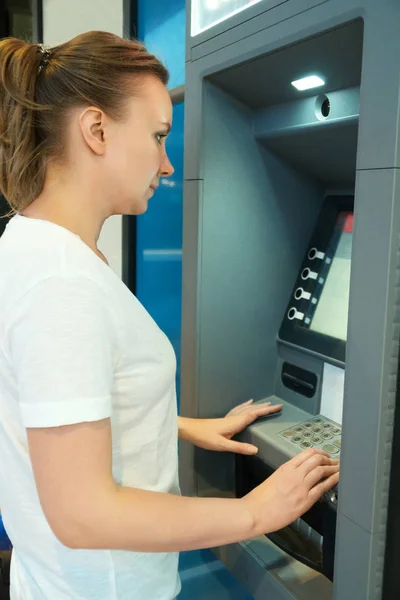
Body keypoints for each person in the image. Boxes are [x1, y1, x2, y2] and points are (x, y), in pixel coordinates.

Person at [0, 32, 339, 600]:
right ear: (97, 130)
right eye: (158, 136)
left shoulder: (28, 245)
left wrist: (176, 425)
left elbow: (49, 410)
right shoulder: (62, 283)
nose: (167, 162)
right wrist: (256, 511)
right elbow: (82, 515)